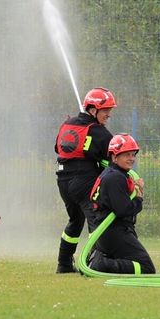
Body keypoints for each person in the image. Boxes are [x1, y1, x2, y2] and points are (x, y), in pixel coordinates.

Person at [54, 87, 117, 274]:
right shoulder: (99, 132)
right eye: (106, 110)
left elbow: (58, 148)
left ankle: (64, 264)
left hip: (63, 181)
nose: (109, 115)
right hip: (84, 182)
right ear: (93, 110)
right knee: (96, 221)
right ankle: (93, 265)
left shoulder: (67, 124)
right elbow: (115, 156)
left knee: (75, 220)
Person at [86, 133, 154, 276]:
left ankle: (101, 257)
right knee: (146, 268)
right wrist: (139, 197)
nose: (132, 159)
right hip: (114, 232)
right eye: (127, 155)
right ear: (114, 157)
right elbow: (123, 210)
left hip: (108, 232)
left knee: (137, 262)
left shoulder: (113, 174)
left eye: (133, 154)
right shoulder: (115, 177)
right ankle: (101, 264)